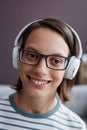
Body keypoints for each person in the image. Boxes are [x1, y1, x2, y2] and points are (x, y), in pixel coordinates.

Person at [0, 18, 86, 130]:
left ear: (70, 68)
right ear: (17, 57)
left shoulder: (76, 127)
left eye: (56, 61)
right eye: (31, 55)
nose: (41, 70)